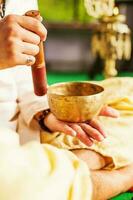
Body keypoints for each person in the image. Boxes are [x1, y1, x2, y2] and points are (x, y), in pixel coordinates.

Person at [0, 0, 133, 199]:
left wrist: (45, 114)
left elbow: (21, 71)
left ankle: (66, 164)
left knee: (127, 93)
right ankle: (121, 173)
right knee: (21, 186)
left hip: (26, 129)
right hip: (7, 159)